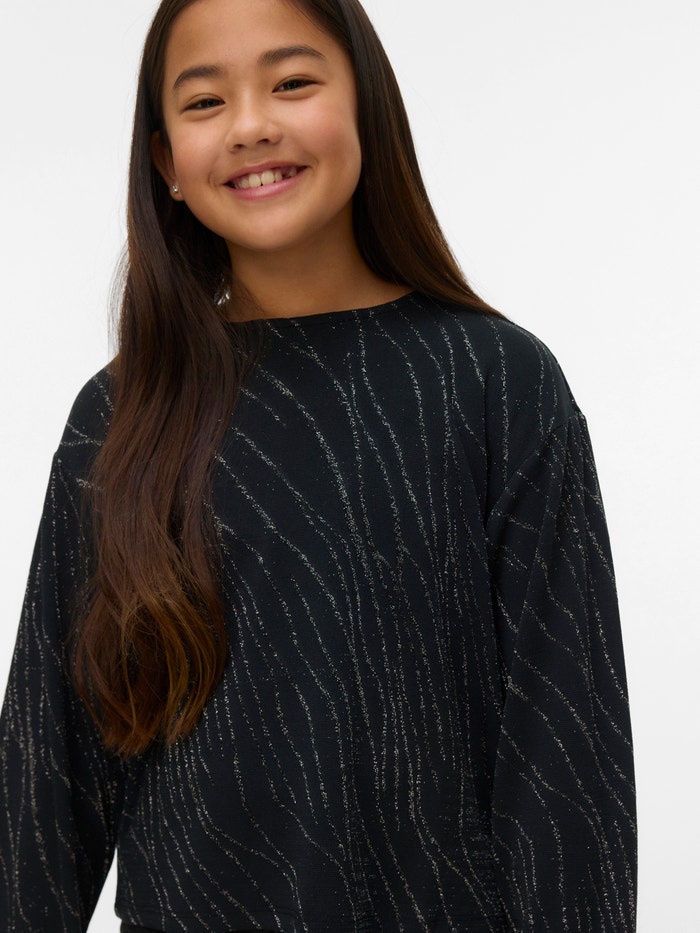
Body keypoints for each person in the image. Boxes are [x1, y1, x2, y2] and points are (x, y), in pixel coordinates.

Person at [0, 0, 636, 930]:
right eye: (205, 101)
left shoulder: (496, 384)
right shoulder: (120, 416)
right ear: (166, 162)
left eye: (292, 82)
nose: (252, 125)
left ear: (367, 106)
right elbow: (46, 779)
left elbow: (566, 755)